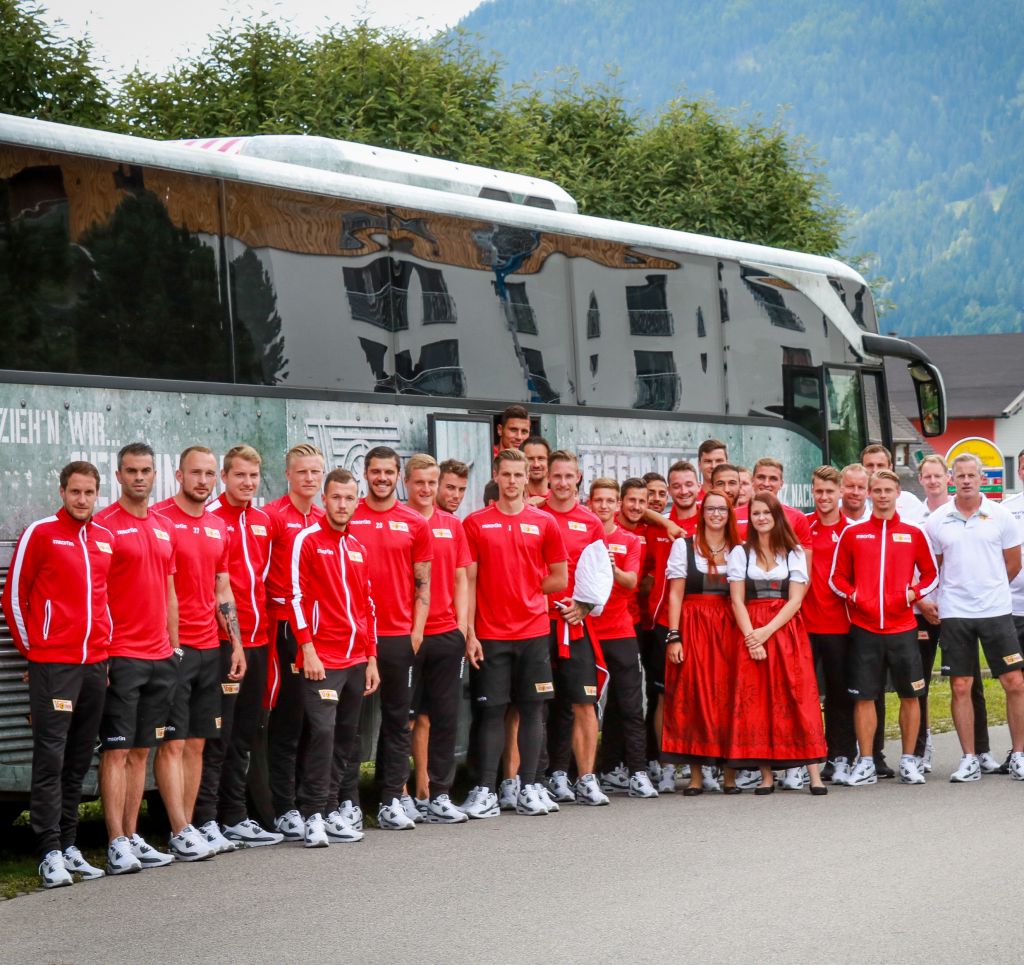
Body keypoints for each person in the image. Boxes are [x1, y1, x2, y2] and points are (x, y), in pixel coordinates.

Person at [3, 462, 115, 888]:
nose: (82, 499)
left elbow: (105, 600)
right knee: (50, 758)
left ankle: (69, 846)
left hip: (95, 666)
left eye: (89, 492)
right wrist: (36, 653)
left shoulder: (104, 539)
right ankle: (49, 852)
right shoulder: (42, 533)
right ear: (62, 492)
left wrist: (104, 655)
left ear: (97, 494)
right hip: (54, 665)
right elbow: (14, 596)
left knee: (79, 759)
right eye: (75, 492)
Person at [461, 449, 568, 818]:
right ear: (496, 475)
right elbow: (469, 582)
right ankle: (485, 790)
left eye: (518, 475)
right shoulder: (475, 523)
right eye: (505, 474)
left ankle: (531, 787)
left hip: (533, 631)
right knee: (491, 712)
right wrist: (470, 632)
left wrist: (528, 590)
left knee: (533, 710)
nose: (511, 481)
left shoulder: (545, 522)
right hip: (490, 634)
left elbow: (559, 577)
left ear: (527, 478)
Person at [152, 447, 243, 862]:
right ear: (179, 475)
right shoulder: (160, 519)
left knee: (197, 744)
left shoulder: (218, 526)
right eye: (195, 473)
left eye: (209, 474)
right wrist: (167, 644)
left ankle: (189, 828)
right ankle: (177, 829)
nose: (203, 481)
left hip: (210, 647)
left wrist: (235, 643)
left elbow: (222, 588)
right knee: (172, 744)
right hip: (172, 649)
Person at [94, 443, 178, 874]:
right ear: (119, 475)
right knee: (117, 751)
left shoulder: (164, 526)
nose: (139, 477)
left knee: (143, 751)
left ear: (154, 474)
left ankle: (131, 836)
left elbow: (169, 592)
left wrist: (174, 648)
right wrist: (103, 653)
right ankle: (114, 843)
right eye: (131, 471)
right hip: (121, 656)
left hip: (161, 656)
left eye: (145, 470)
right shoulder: (104, 526)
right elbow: (94, 593)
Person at [195, 446, 283, 848]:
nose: (247, 483)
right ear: (225, 477)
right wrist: (233, 642)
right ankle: (208, 819)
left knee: (245, 735)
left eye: (253, 476)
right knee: (219, 737)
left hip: (260, 641)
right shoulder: (212, 518)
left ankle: (235, 817)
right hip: (225, 644)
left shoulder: (263, 521)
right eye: (240, 475)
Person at [829, 470, 938, 786]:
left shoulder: (914, 533)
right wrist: (854, 596)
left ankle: (909, 761)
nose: (882, 496)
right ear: (869, 493)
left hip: (903, 628)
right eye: (876, 490)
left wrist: (911, 595)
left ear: (897, 493)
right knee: (864, 697)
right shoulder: (854, 533)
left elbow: (931, 574)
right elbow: (836, 578)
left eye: (888, 490)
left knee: (910, 695)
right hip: (864, 629)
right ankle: (865, 762)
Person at [290, 468, 380, 847]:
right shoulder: (307, 539)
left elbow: (367, 605)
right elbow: (295, 597)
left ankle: (329, 810)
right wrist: (307, 648)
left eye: (349, 498)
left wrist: (371, 657)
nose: (342, 504)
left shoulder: (358, 547)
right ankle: (311, 815)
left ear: (356, 502)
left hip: (356, 659)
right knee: (322, 734)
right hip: (322, 659)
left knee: (346, 737)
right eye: (336, 497)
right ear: (324, 499)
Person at [925, 453, 1024, 782]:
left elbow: (1013, 563)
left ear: (982, 479)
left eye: (972, 475)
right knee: (960, 685)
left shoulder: (1001, 515)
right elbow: (936, 566)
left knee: (1014, 682)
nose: (966, 480)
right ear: (951, 479)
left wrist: (989, 587)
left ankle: (1019, 755)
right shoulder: (937, 520)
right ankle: (969, 759)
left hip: (996, 610)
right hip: (955, 613)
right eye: (960, 475)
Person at [349, 446, 432, 829]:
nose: (382, 478)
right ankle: (347, 803)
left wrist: (415, 633)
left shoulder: (414, 522)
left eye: (388, 472)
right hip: (354, 638)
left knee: (398, 723)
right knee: (349, 724)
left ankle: (390, 801)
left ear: (398, 476)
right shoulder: (349, 515)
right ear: (365, 474)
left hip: (399, 637)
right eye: (375, 471)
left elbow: (423, 585)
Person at [725, 492, 827, 794]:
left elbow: (795, 600)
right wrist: (751, 638)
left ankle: (814, 774)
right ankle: (766, 775)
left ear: (777, 516)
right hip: (751, 628)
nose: (761, 518)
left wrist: (766, 631)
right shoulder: (741, 553)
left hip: (785, 629)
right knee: (760, 700)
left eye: (766, 513)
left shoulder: (793, 552)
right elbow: (736, 600)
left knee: (798, 697)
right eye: (756, 513)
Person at [539, 451, 613, 807]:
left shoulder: (590, 522)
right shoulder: (535, 515)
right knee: (536, 705)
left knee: (584, 703)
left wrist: (584, 605)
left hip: (576, 625)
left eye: (569, 476)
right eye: (557, 476)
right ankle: (542, 777)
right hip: (537, 623)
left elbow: (601, 574)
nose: (563, 483)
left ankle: (585, 778)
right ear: (548, 478)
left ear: (578, 477)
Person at [914, 455, 996, 773]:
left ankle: (981, 750)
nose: (933, 481)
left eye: (938, 475)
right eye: (927, 476)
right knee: (918, 682)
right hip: (924, 609)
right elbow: (913, 565)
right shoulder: (913, 512)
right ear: (921, 479)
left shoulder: (962, 511)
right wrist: (922, 600)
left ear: (946, 479)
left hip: (958, 610)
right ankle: (920, 750)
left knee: (969, 684)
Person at [404, 454, 471, 824]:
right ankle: (404, 794)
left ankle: (437, 794)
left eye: (432, 482)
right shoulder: (400, 521)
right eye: (420, 482)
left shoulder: (452, 525)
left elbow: (462, 578)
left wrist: (462, 628)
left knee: (443, 718)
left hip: (446, 635)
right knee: (406, 719)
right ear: (407, 483)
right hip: (408, 635)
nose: (427, 489)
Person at [264, 443, 326, 841]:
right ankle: (284, 809)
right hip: (285, 629)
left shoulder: (323, 518)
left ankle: (310, 805)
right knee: (287, 721)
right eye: (302, 471)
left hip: (319, 633)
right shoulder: (273, 516)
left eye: (315, 472)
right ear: (288, 475)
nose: (309, 478)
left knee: (313, 721)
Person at [663, 489, 742, 793]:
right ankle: (696, 776)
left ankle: (730, 776)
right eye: (710, 508)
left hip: (729, 627)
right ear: (702, 512)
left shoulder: (739, 549)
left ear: (729, 513)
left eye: (722, 509)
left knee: (729, 697)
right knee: (694, 696)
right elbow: (675, 594)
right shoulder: (684, 547)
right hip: (694, 624)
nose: (716, 514)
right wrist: (674, 635)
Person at [588, 478, 657, 797]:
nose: (603, 506)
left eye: (609, 501)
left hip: (621, 631)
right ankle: (583, 775)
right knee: (582, 707)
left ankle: (638, 772)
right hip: (586, 631)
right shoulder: (582, 534)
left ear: (617, 505)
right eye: (598, 500)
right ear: (590, 503)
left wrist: (611, 568)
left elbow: (631, 582)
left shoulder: (629, 540)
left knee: (631, 705)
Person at [802, 466, 855, 785]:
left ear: (840, 493)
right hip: (805, 625)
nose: (823, 497)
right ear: (813, 491)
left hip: (841, 626)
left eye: (829, 492)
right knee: (806, 696)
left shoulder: (851, 530)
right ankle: (806, 757)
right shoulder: (802, 526)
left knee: (840, 696)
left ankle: (841, 756)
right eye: (819, 491)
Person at [751, 458, 813, 551]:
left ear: (781, 483)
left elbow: (805, 557)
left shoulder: (797, 517)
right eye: (761, 477)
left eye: (773, 479)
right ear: (752, 480)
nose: (766, 483)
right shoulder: (735, 515)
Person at [861, 444, 925, 523]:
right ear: (862, 468)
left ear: (890, 468)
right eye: (870, 465)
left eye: (880, 465)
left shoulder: (909, 502)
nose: (875, 470)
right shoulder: (853, 500)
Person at [523, 435, 552, 504]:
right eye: (530, 459)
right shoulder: (513, 500)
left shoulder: (559, 499)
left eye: (541, 458)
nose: (536, 465)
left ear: (549, 461)